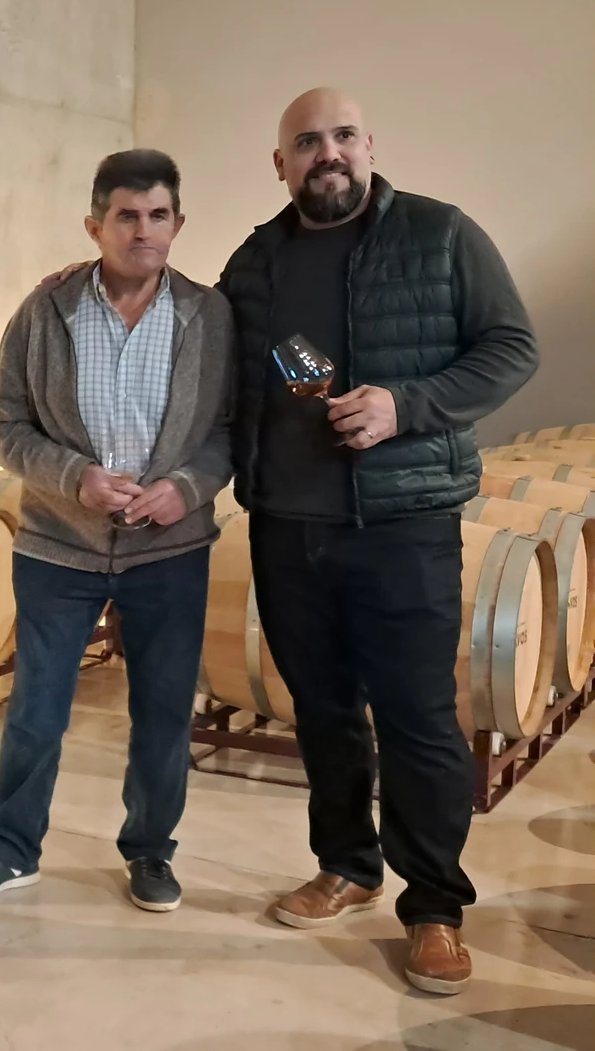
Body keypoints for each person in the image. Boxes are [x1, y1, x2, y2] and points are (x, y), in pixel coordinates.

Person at [218, 88, 537, 995]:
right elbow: (227, 357)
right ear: (280, 164)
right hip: (288, 527)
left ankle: (434, 906)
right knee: (321, 712)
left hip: (403, 528)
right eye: (306, 141)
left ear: (369, 146)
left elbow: (512, 346)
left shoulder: (441, 235)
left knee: (419, 722)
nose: (328, 152)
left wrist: (408, 405)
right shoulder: (256, 259)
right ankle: (347, 865)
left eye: (343, 136)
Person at [0, 149, 233, 916]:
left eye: (158, 215)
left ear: (177, 223)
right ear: (94, 223)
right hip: (57, 548)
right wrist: (75, 477)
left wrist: (187, 487)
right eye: (126, 216)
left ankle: (150, 851)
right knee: (37, 707)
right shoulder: (47, 312)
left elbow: (232, 430)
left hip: (170, 551)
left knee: (165, 712)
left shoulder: (211, 315)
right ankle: (12, 848)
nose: (144, 230)